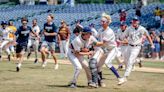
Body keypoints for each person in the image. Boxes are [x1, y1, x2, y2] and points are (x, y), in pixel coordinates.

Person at [89, 13, 123, 87]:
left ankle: (120, 78)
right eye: (101, 21)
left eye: (103, 21)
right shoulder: (101, 29)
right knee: (98, 66)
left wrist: (92, 43)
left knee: (107, 63)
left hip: (112, 49)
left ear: (107, 23)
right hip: (105, 50)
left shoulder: (109, 32)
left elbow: (102, 43)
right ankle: (101, 82)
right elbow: (96, 36)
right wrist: (91, 31)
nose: (101, 23)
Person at [118, 17, 155, 85]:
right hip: (129, 46)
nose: (134, 22)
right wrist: (123, 39)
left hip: (136, 47)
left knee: (130, 61)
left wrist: (152, 44)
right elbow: (124, 36)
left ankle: (125, 77)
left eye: (136, 21)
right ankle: (138, 61)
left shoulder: (142, 29)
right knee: (126, 60)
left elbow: (148, 36)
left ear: (138, 22)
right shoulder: (129, 28)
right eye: (133, 21)